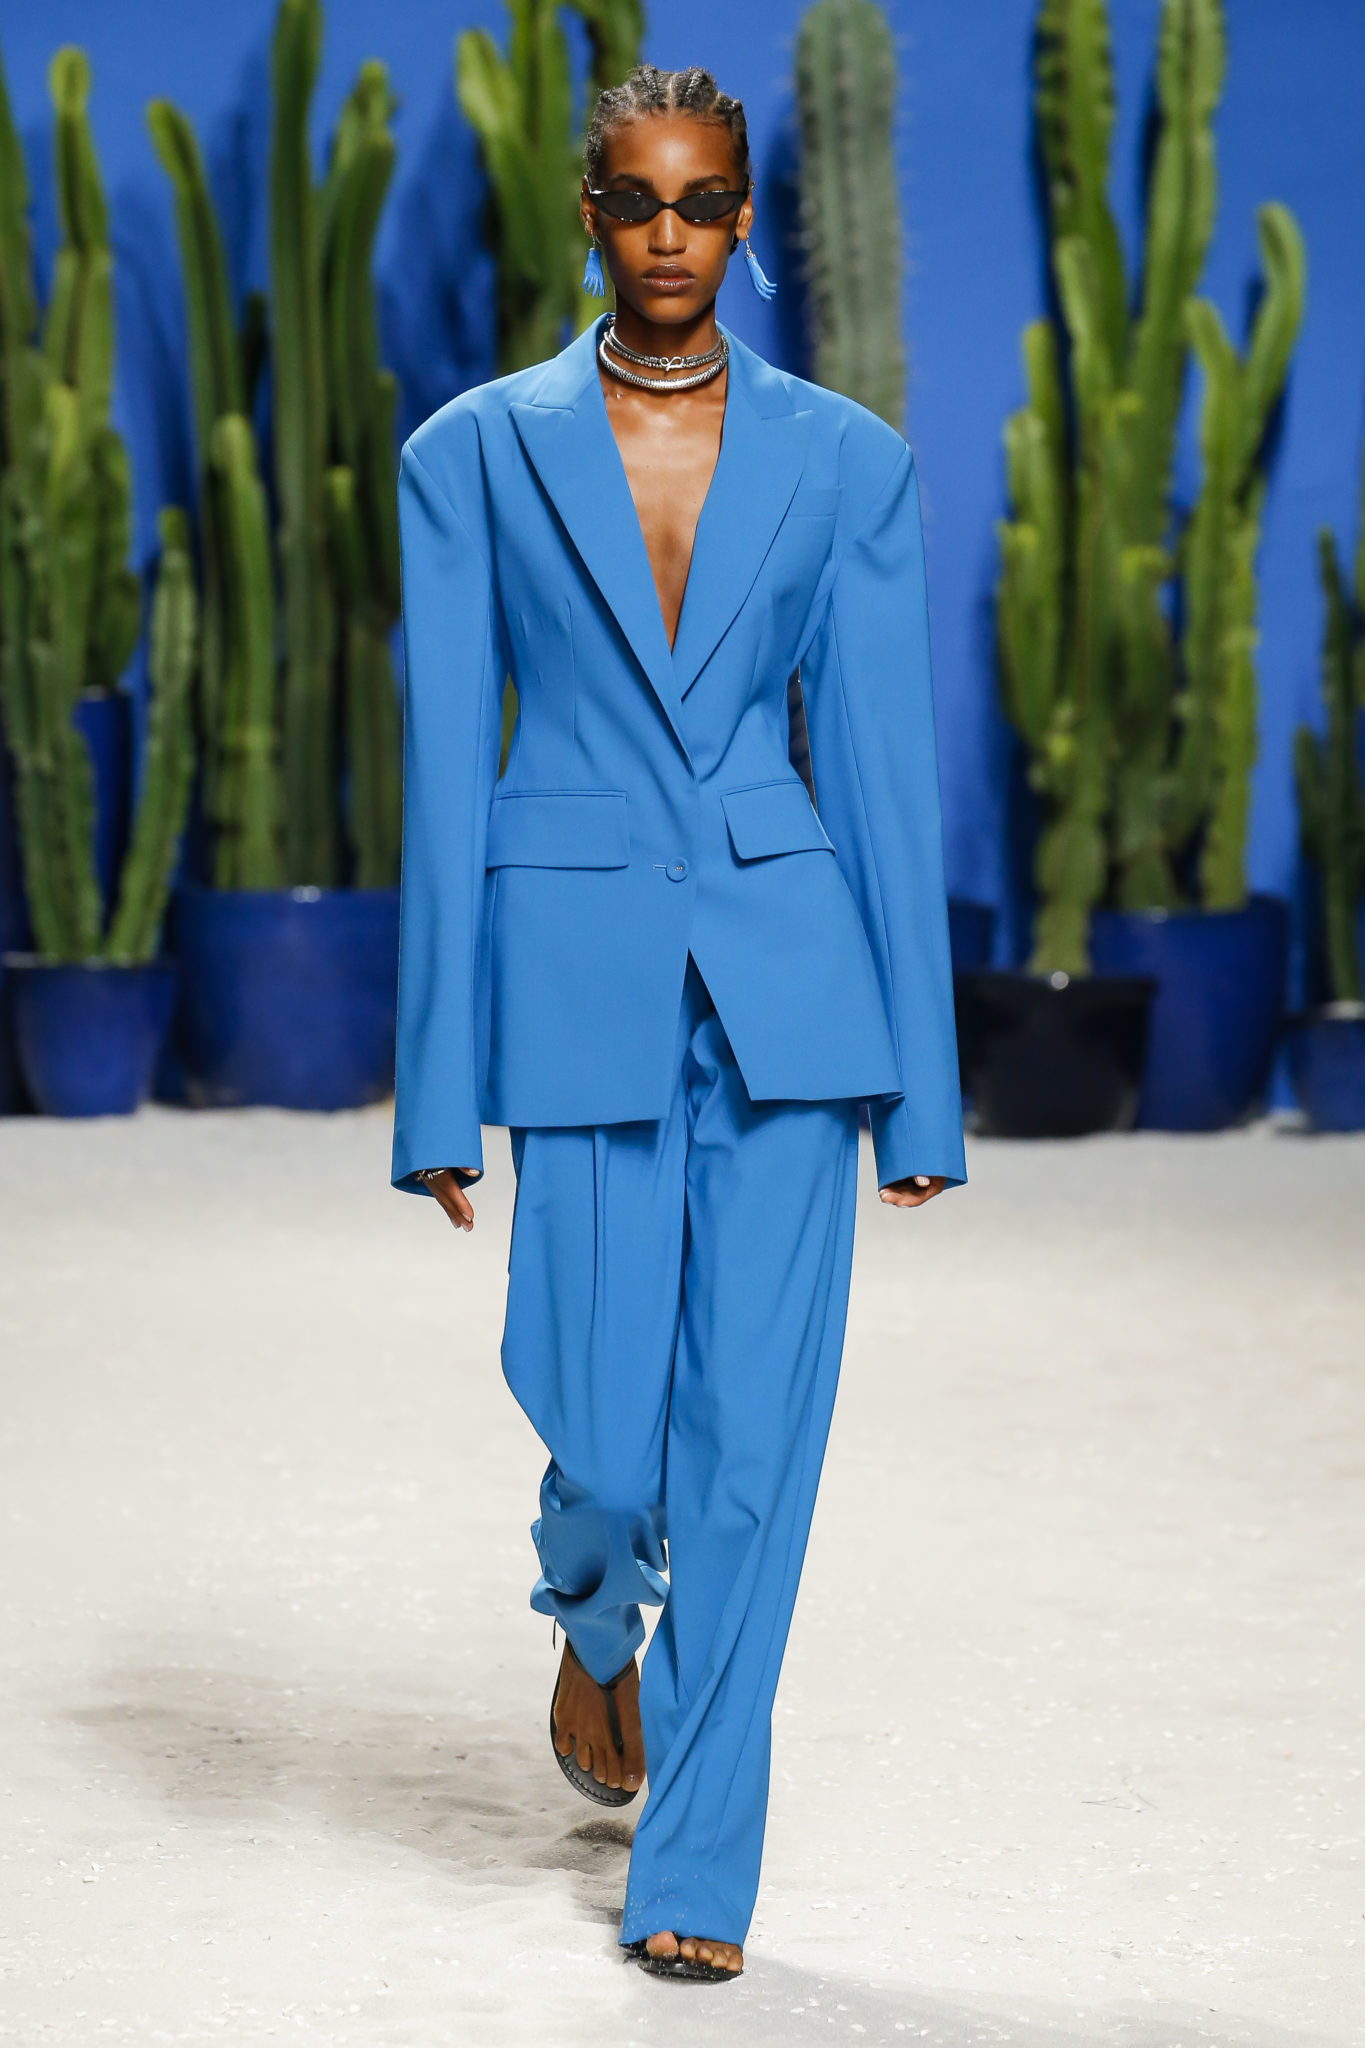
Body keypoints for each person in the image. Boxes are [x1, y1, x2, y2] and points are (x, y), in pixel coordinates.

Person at [391, 62, 966, 1984]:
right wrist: (434, 1088)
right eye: (635, 199)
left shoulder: (846, 461)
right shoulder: (474, 454)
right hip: (573, 976)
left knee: (749, 1454)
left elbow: (882, 779)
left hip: (790, 997)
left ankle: (696, 1868)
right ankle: (590, 1612)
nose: (667, 233)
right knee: (610, 1437)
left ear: (740, 221)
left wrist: (922, 1094)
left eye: (702, 202)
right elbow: (441, 778)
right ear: (589, 214)